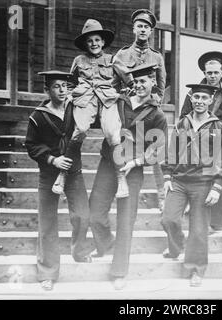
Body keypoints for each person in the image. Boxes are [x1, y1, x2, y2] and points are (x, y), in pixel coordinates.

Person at [89, 63, 168, 290]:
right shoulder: (119, 102)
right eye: (137, 80)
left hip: (133, 170)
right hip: (108, 163)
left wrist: (136, 161)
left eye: (145, 81)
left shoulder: (157, 114)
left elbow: (159, 148)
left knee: (126, 219)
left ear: (154, 83)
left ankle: (119, 270)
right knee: (95, 211)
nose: (140, 85)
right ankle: (106, 244)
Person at [25, 70, 93, 291]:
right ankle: (47, 272)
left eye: (65, 85)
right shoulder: (38, 116)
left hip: (73, 171)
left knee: (82, 215)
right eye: (56, 86)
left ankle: (79, 251)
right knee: (47, 223)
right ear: (47, 90)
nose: (62, 90)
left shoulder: (76, 109)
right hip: (49, 173)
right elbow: (31, 145)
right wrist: (52, 159)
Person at [161, 84, 222, 287]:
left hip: (203, 183)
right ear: (191, 99)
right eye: (196, 97)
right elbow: (171, 151)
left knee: (199, 230)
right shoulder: (183, 123)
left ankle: (196, 269)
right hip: (179, 181)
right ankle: (176, 248)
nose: (199, 101)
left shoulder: (218, 127)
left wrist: (217, 186)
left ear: (211, 101)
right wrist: (167, 177)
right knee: (169, 219)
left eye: (204, 98)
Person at [51, 19, 129, 199]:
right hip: (86, 99)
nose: (94, 44)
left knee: (112, 134)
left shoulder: (112, 59)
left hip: (107, 99)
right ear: (85, 44)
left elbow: (127, 78)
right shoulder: (79, 60)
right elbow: (70, 81)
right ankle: (62, 176)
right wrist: (70, 94)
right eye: (90, 41)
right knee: (79, 130)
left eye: (97, 40)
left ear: (103, 42)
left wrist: (125, 91)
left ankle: (121, 179)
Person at [180, 51, 222, 232]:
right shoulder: (194, 91)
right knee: (195, 173)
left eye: (216, 72)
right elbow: (183, 115)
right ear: (204, 73)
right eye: (209, 73)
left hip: (217, 137)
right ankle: (194, 210)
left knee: (217, 175)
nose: (213, 76)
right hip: (197, 135)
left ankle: (215, 222)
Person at [112, 9, 166, 211]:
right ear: (134, 29)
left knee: (157, 147)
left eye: (147, 27)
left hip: (148, 110)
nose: (143, 30)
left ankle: (162, 197)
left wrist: (153, 103)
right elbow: (114, 84)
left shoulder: (156, 57)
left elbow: (160, 86)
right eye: (140, 26)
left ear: (151, 31)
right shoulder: (122, 55)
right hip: (128, 110)